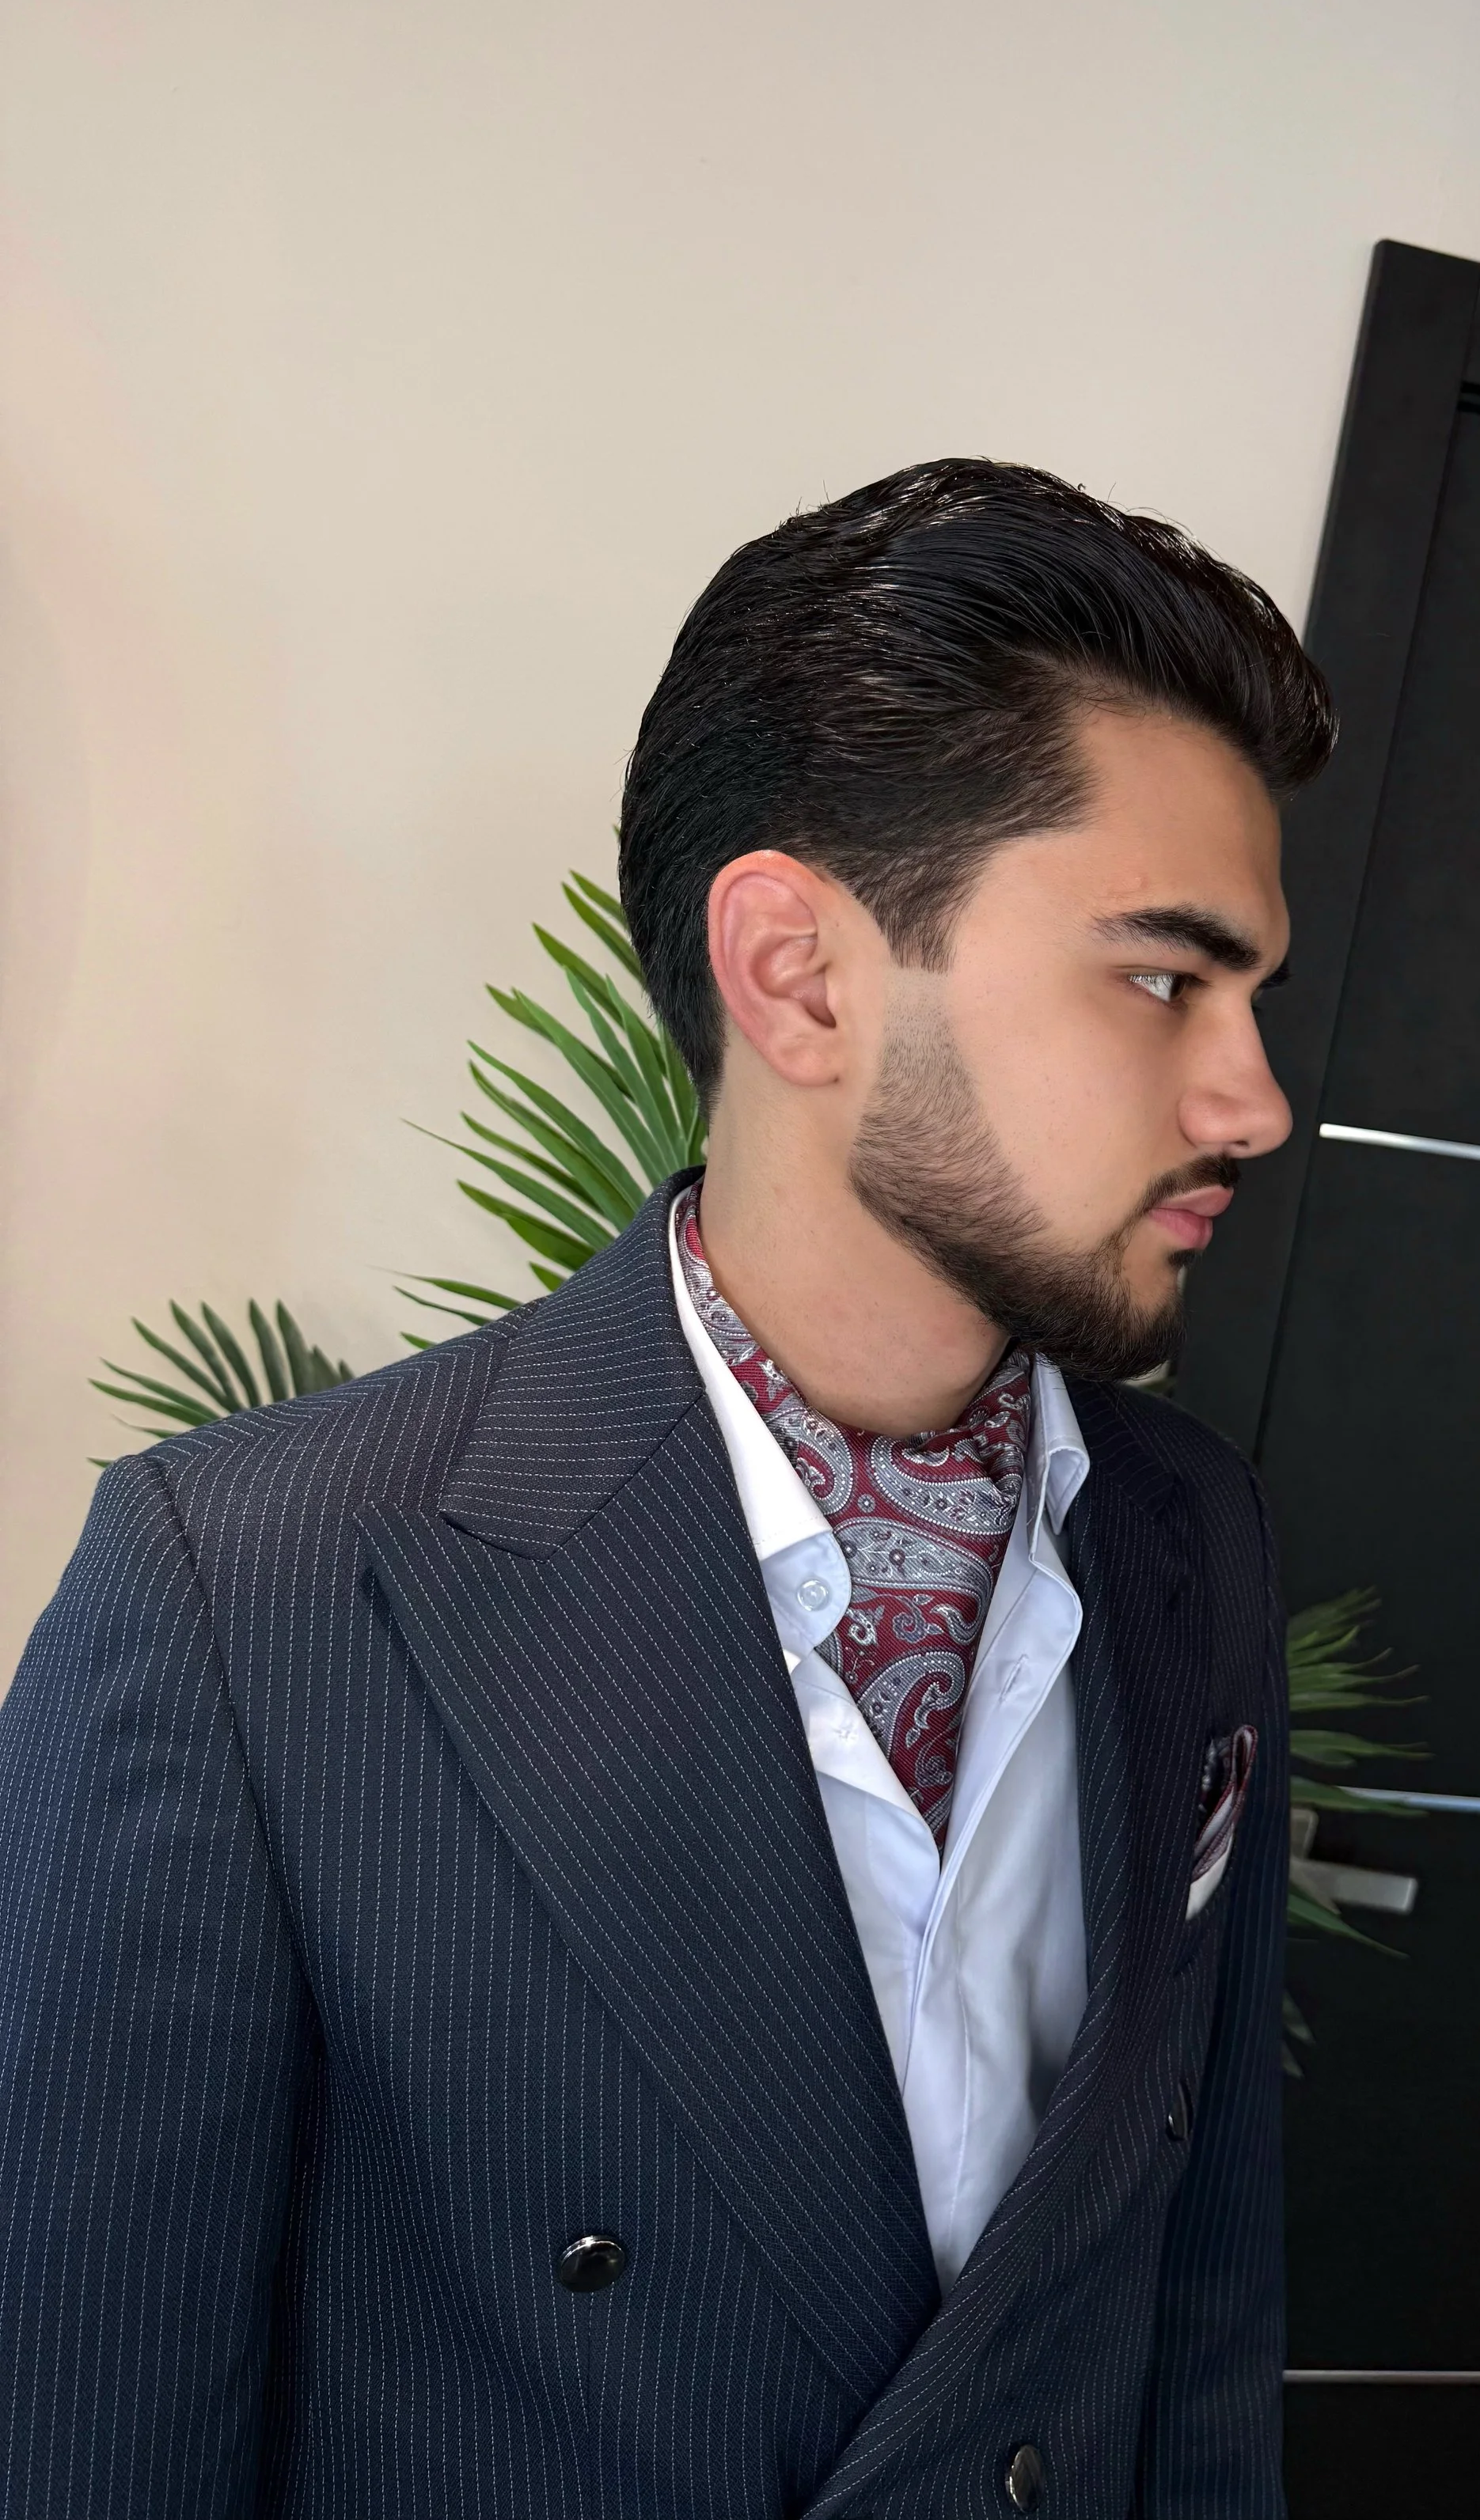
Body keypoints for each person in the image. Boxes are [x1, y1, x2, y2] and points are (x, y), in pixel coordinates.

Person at [0, 459, 1335, 2518]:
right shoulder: (255, 1593)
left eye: (1250, 997)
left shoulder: (1187, 1535)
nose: (1251, 1096)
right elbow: (87, 2441)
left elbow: (1196, 2300)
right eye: (1162, 977)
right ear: (797, 976)